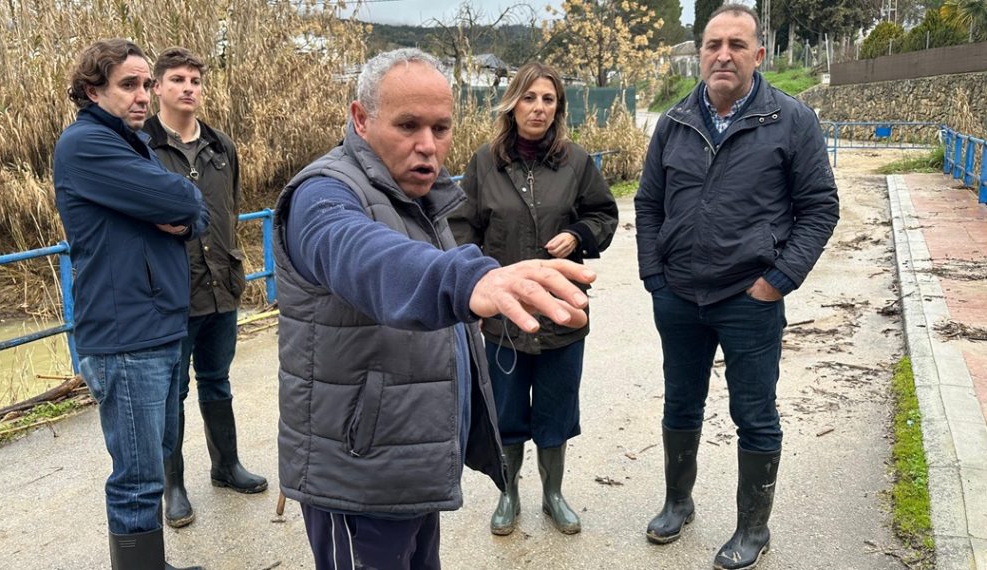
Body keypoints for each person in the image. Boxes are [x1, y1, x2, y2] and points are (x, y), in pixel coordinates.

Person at [274, 48, 597, 569]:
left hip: (410, 464)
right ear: (360, 118)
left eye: (441, 128)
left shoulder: (418, 192)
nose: (428, 146)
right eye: (407, 125)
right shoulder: (323, 194)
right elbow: (363, 255)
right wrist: (471, 276)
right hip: (359, 475)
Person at [634, 5, 839, 569]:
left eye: (735, 45)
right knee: (681, 403)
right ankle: (678, 502)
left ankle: (753, 528)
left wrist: (778, 280)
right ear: (701, 53)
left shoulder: (791, 120)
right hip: (679, 296)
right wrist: (654, 276)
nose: (722, 54)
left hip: (749, 299)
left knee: (754, 413)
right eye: (712, 44)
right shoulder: (675, 120)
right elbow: (649, 203)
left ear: (758, 55)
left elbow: (819, 208)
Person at [53, 38, 208, 570]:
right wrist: (179, 206)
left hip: (159, 324)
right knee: (138, 478)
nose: (143, 96)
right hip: (126, 336)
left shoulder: (134, 143)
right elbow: (183, 197)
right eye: (128, 85)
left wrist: (181, 210)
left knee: (152, 461)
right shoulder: (87, 145)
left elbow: (194, 212)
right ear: (93, 90)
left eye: (146, 84)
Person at [449, 62, 618, 536]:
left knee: (555, 412)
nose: (539, 108)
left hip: (562, 314)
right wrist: (484, 278)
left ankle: (553, 495)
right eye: (529, 98)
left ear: (558, 107)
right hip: (504, 318)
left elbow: (603, 213)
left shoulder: (577, 162)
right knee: (505, 414)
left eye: (548, 99)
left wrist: (579, 233)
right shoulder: (484, 163)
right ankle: (508, 494)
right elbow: (462, 231)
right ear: (512, 104)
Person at [142, 47, 267, 530]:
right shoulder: (142, 145)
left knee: (217, 378)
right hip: (171, 291)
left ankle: (226, 466)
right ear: (157, 88)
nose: (188, 87)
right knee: (172, 392)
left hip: (222, 286)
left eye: (195, 79)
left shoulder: (220, 145)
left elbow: (230, 211)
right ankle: (172, 486)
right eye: (177, 79)